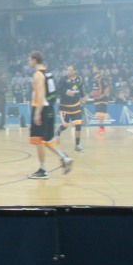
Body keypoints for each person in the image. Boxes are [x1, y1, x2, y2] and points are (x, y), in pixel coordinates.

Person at [27, 51, 73, 179]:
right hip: (50, 108)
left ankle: (42, 170)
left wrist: (37, 113)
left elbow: (41, 94)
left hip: (41, 108)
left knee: (38, 140)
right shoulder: (48, 73)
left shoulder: (38, 74)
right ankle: (64, 157)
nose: (29, 62)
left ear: (35, 60)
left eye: (30, 60)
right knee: (47, 139)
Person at [56, 65, 86, 152]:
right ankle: (57, 133)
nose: (69, 72)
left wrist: (83, 96)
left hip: (76, 106)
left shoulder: (79, 79)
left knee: (78, 125)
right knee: (65, 125)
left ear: (74, 71)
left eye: (70, 70)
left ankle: (77, 145)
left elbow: (80, 89)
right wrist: (66, 92)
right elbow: (57, 90)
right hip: (65, 107)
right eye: (68, 70)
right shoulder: (63, 79)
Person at [90, 65, 110, 135]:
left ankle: (101, 129)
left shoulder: (102, 79)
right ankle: (101, 129)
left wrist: (103, 95)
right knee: (99, 115)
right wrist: (92, 94)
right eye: (93, 69)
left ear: (98, 70)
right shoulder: (94, 79)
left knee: (101, 114)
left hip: (102, 99)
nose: (94, 70)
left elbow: (107, 88)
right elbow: (94, 90)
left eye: (95, 68)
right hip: (96, 99)